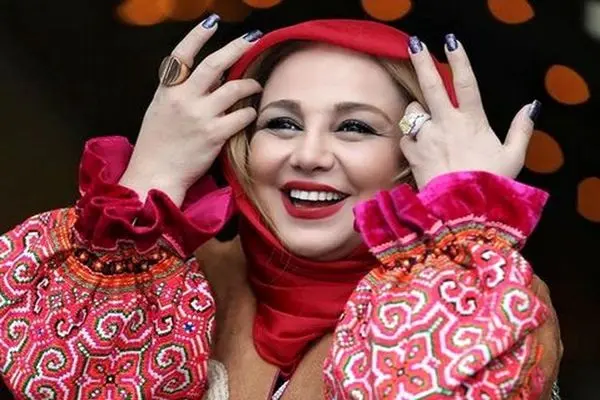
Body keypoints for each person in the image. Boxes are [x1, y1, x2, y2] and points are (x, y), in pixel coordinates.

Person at [0, 16, 562, 400]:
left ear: (417, 155)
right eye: (283, 123)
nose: (309, 155)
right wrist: (149, 181)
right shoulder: (172, 279)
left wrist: (460, 230)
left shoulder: (488, 292)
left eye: (355, 127)